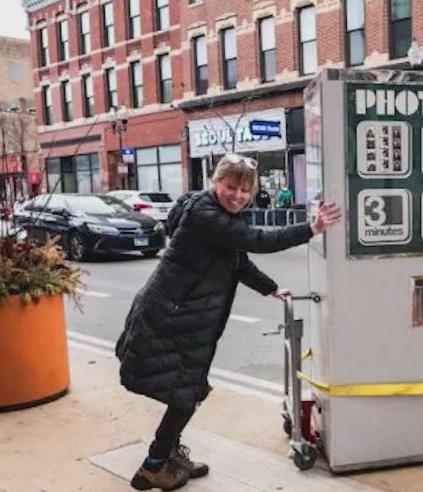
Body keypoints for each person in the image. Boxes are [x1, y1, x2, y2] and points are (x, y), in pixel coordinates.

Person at [115, 153, 341, 490]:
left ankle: (166, 455)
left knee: (188, 391)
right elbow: (259, 241)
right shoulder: (207, 216)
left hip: (180, 314)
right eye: (231, 186)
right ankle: (153, 467)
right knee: (185, 394)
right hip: (173, 316)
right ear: (215, 182)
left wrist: (272, 288)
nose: (238, 195)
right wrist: (311, 228)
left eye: (245, 190)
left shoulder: (216, 215)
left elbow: (238, 262)